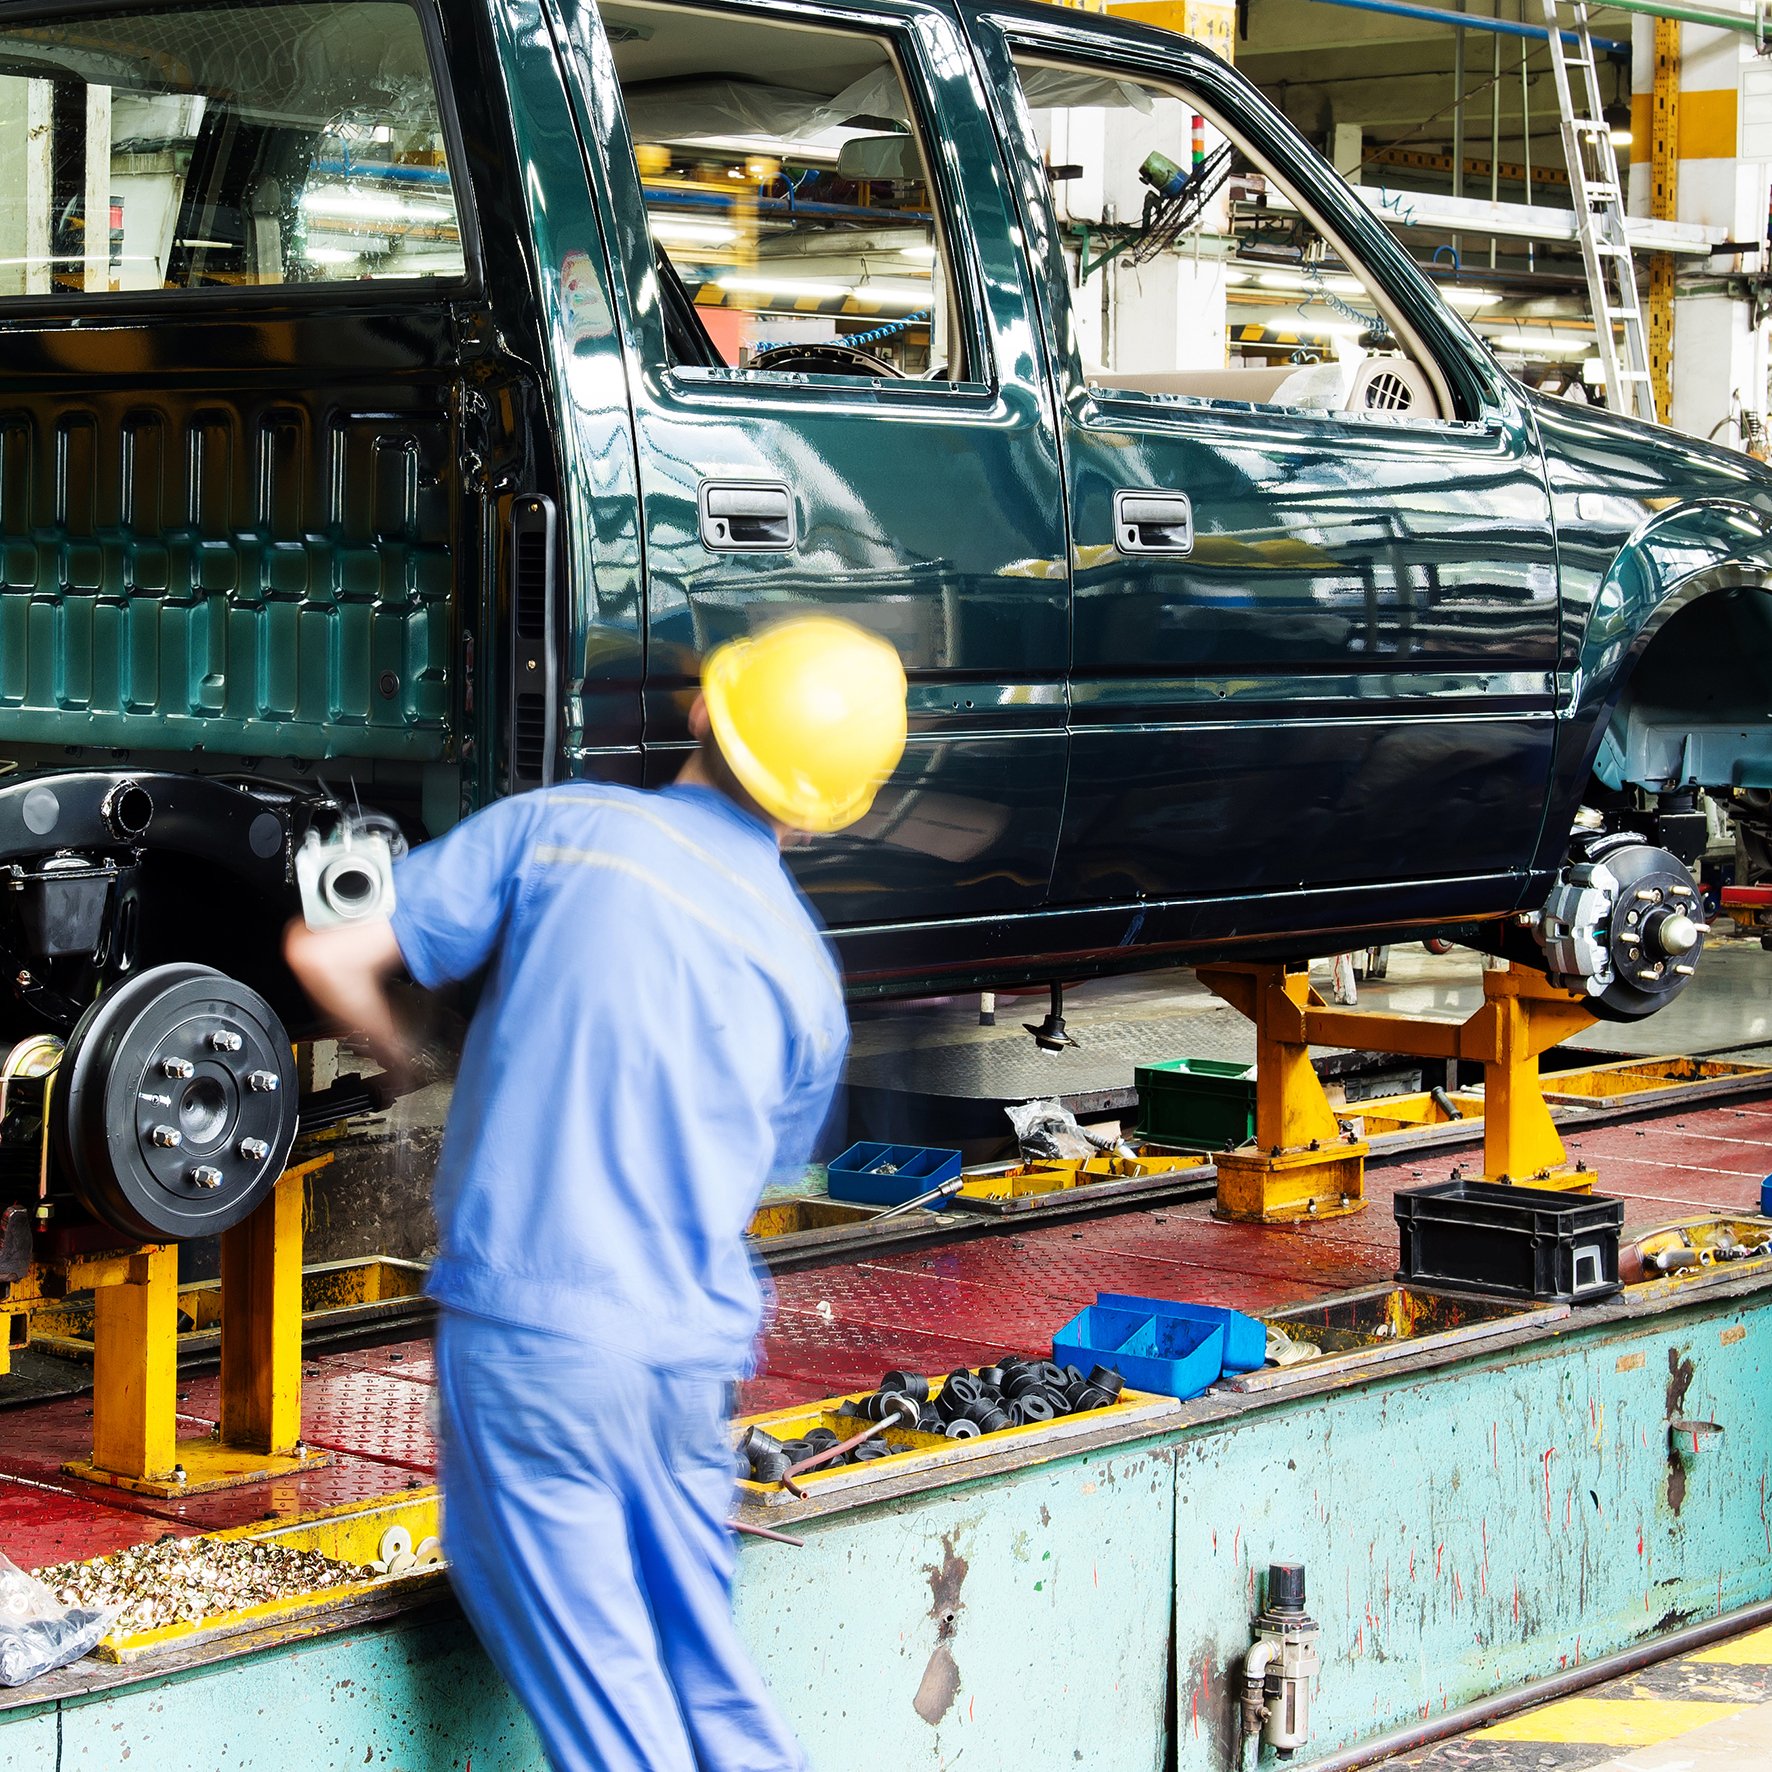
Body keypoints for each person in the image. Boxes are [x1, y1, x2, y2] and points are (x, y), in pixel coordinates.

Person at [284, 615, 909, 1772]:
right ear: (826, 806)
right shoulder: (803, 977)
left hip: (535, 1345)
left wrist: (403, 1052)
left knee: (612, 1723)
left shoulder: (561, 829)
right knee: (704, 1679)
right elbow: (753, 1167)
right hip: (685, 1360)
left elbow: (326, 954)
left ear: (698, 710)